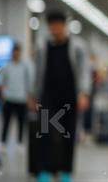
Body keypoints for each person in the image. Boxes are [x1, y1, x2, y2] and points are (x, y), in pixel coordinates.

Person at [31, 11, 91, 182]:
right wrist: (34, 95)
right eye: (52, 25)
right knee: (44, 133)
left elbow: (84, 71)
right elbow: (38, 72)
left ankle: (65, 170)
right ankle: (43, 170)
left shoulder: (78, 46)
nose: (55, 28)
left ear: (64, 26)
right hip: (47, 98)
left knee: (68, 135)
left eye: (58, 24)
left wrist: (84, 93)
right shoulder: (43, 46)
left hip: (70, 98)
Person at [0, 44, 32, 151]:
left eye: (17, 51)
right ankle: (3, 142)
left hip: (21, 99)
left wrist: (28, 96)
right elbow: (1, 82)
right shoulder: (7, 66)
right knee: (6, 122)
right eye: (14, 51)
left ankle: (20, 143)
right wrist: (3, 94)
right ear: (12, 52)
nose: (16, 54)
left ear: (20, 52)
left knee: (21, 123)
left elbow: (28, 82)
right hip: (9, 98)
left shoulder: (25, 66)